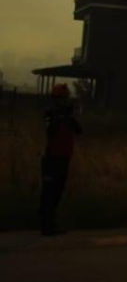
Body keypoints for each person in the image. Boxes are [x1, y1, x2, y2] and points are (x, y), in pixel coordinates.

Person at [39, 83, 82, 235]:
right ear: (57, 99)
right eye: (63, 98)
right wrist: (61, 116)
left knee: (58, 191)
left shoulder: (66, 115)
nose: (65, 101)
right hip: (52, 158)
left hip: (64, 157)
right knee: (49, 192)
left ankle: (51, 223)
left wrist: (69, 116)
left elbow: (79, 130)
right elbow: (50, 131)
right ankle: (46, 225)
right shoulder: (50, 113)